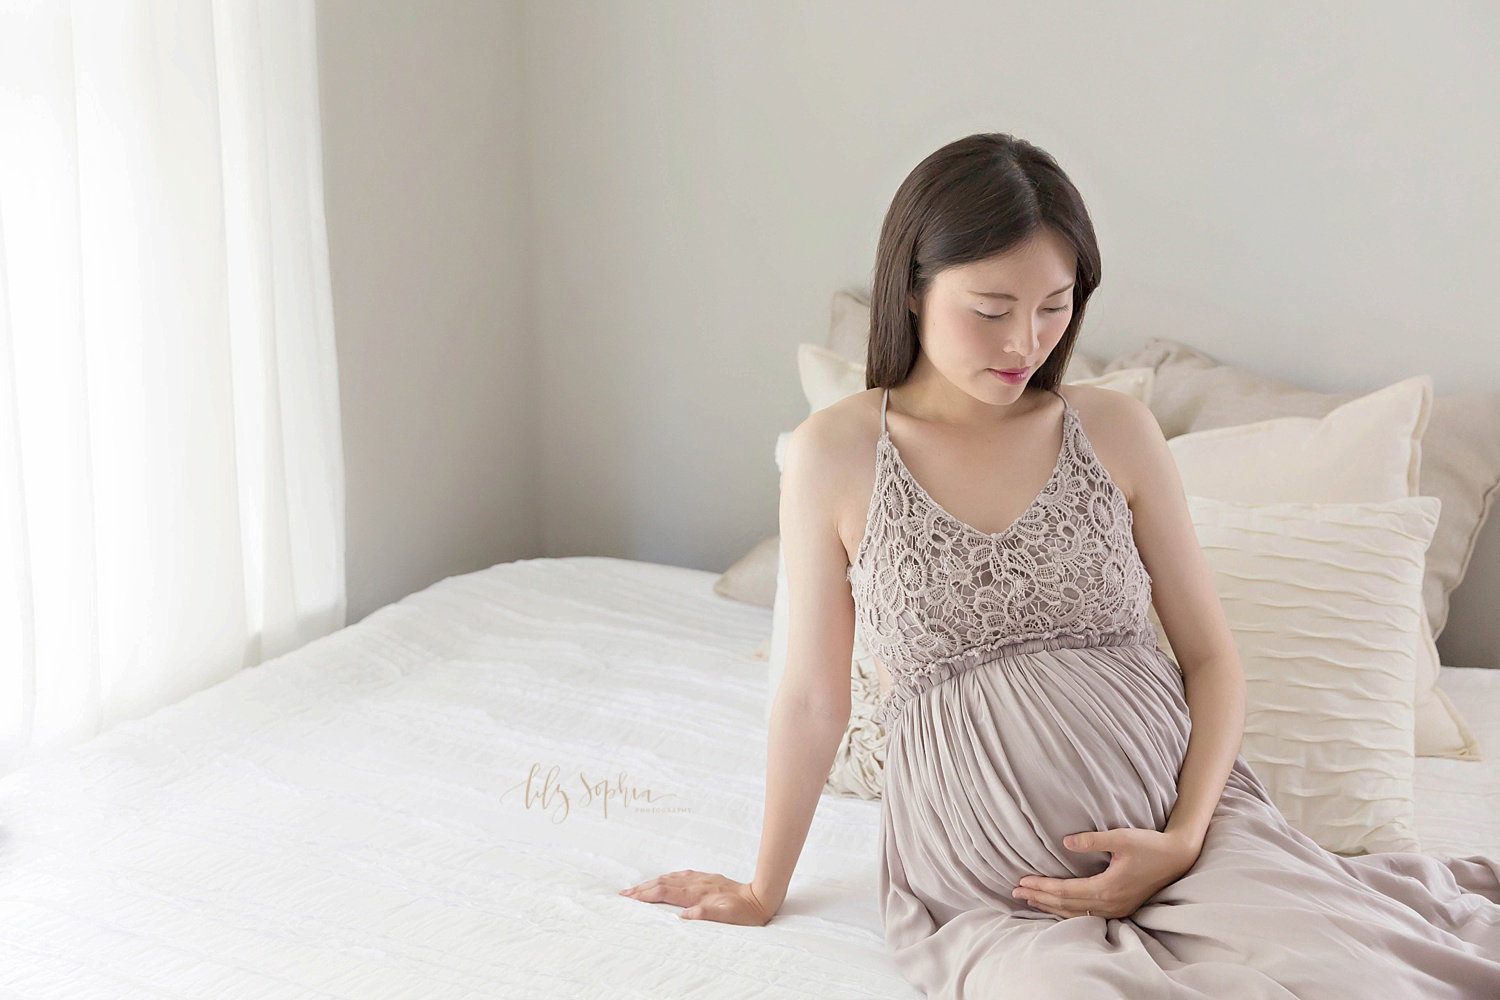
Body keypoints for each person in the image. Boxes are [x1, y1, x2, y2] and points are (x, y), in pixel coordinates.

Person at [620, 132, 1500, 997]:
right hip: (989, 883)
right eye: (992, 309)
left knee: (1364, 974)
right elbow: (814, 698)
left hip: (1188, 837)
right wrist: (763, 887)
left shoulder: (1113, 428)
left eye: (1056, 304)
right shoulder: (838, 451)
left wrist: (1187, 835)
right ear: (914, 289)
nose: (1026, 342)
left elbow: (1211, 659)